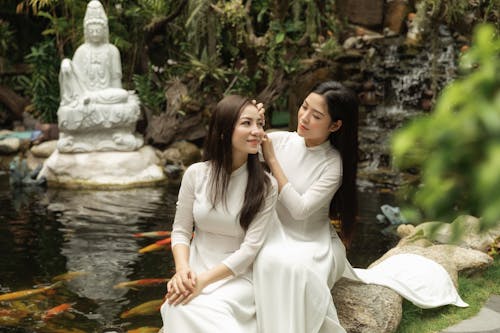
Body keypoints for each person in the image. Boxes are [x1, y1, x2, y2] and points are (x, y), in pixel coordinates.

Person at [254, 81, 467, 333]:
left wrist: (271, 161)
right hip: (276, 234)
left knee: (291, 270)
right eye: (304, 107)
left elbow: (300, 210)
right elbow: (233, 151)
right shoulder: (279, 141)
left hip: (312, 243)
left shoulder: (332, 165)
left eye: (316, 115)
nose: (304, 117)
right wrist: (253, 123)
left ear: (335, 125)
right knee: (265, 261)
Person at [160, 95, 278, 332]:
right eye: (247, 123)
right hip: (194, 268)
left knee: (200, 311)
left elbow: (250, 249)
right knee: (177, 307)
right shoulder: (196, 174)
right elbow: (181, 231)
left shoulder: (266, 186)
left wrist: (203, 282)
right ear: (223, 130)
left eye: (259, 124)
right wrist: (183, 271)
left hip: (237, 277)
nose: (257, 131)